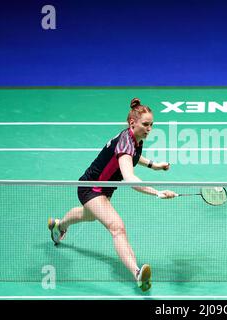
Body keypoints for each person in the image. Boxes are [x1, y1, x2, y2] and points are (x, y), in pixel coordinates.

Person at [48, 98, 177, 292]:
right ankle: (137, 274)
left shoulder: (135, 138)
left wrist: (153, 165)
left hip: (103, 189)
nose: (149, 129)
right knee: (117, 227)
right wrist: (157, 193)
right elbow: (129, 178)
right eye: (145, 124)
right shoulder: (126, 144)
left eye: (151, 125)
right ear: (133, 123)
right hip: (91, 188)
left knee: (88, 215)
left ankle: (59, 226)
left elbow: (134, 155)